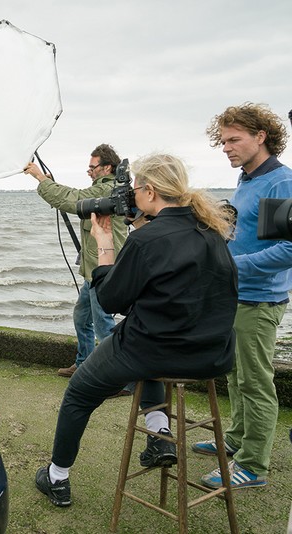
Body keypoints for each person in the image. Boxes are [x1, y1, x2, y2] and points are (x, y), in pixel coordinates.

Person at [34, 153, 238, 507]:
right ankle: (159, 432)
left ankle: (57, 476)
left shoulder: (148, 241)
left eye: (136, 190)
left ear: (149, 191)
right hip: (210, 356)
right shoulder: (212, 230)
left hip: (156, 350)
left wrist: (104, 243)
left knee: (79, 395)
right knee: (150, 343)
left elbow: (112, 299)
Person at [193, 103, 292, 489]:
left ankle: (252, 466)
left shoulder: (280, 182)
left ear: (261, 137)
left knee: (255, 382)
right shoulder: (247, 180)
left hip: (260, 299)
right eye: (223, 141)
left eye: (234, 139)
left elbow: (287, 249)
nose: (226, 147)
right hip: (235, 294)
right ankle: (235, 440)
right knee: (235, 376)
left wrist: (233, 267)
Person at [24, 144, 128, 388]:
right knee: (82, 317)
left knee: (104, 326)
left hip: (105, 268)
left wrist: (40, 178)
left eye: (92, 167)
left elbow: (73, 199)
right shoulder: (103, 189)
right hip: (93, 268)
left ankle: (120, 381)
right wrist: (50, 186)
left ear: (107, 167)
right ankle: (84, 363)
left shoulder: (109, 190)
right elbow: (74, 198)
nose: (89, 172)